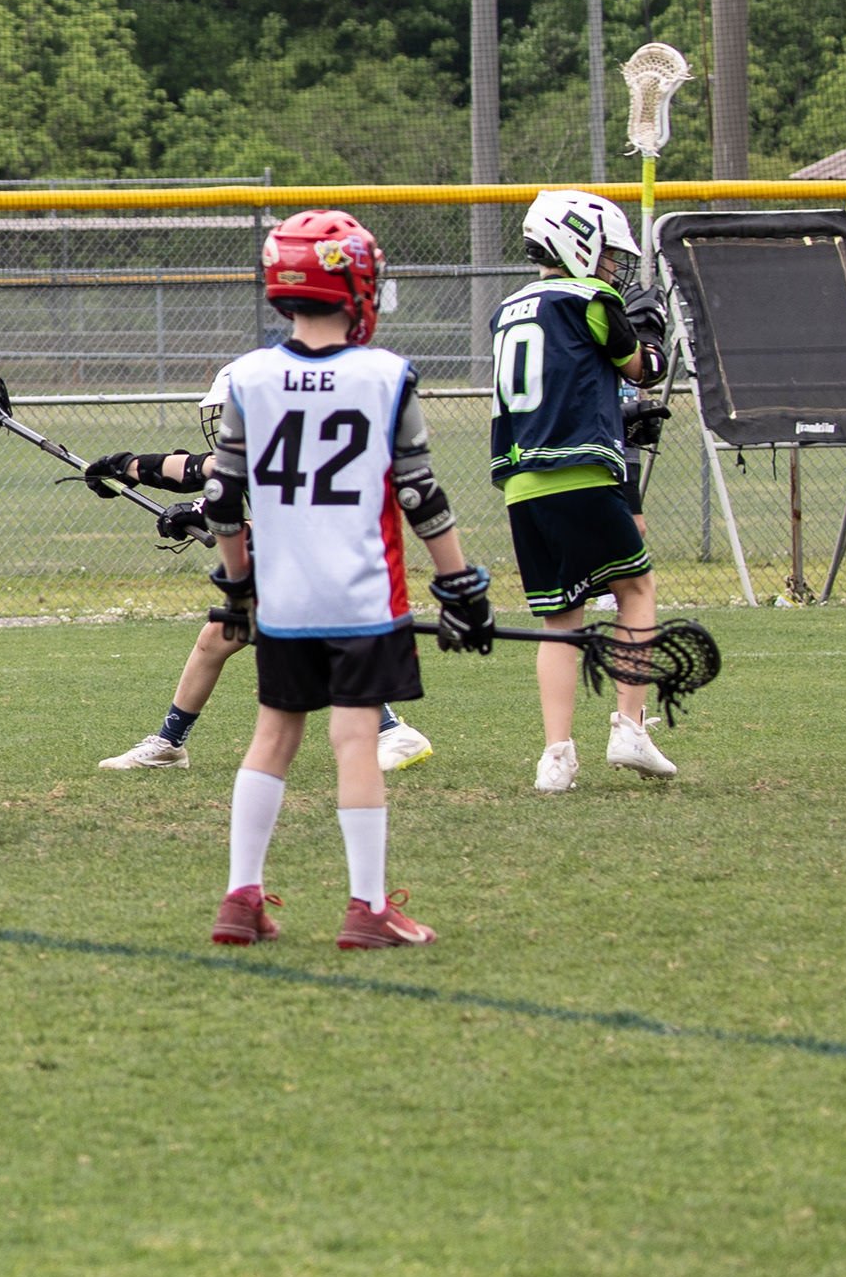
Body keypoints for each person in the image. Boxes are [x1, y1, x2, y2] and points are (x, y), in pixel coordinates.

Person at [204, 211, 496, 951]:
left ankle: (240, 897)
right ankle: (367, 907)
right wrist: (459, 585)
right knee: (356, 738)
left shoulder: (248, 378)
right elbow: (420, 494)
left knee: (273, 734)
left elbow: (223, 500)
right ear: (354, 284)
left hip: (286, 598)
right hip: (365, 593)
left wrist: (240, 588)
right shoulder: (386, 376)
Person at [84, 415, 431, 776]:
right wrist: (126, 467)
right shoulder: (261, 448)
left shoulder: (302, 454)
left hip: (334, 563)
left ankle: (393, 732)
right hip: (301, 564)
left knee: (312, 642)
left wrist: (216, 520)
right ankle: (169, 745)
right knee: (216, 639)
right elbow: (195, 468)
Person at [491, 189, 680, 793]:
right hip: (579, 469)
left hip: (522, 483)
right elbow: (642, 369)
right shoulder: (591, 298)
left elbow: (563, 376)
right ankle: (630, 727)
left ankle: (555, 757)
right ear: (577, 244)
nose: (613, 267)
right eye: (608, 254)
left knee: (561, 619)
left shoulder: (507, 309)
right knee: (636, 589)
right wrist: (649, 331)